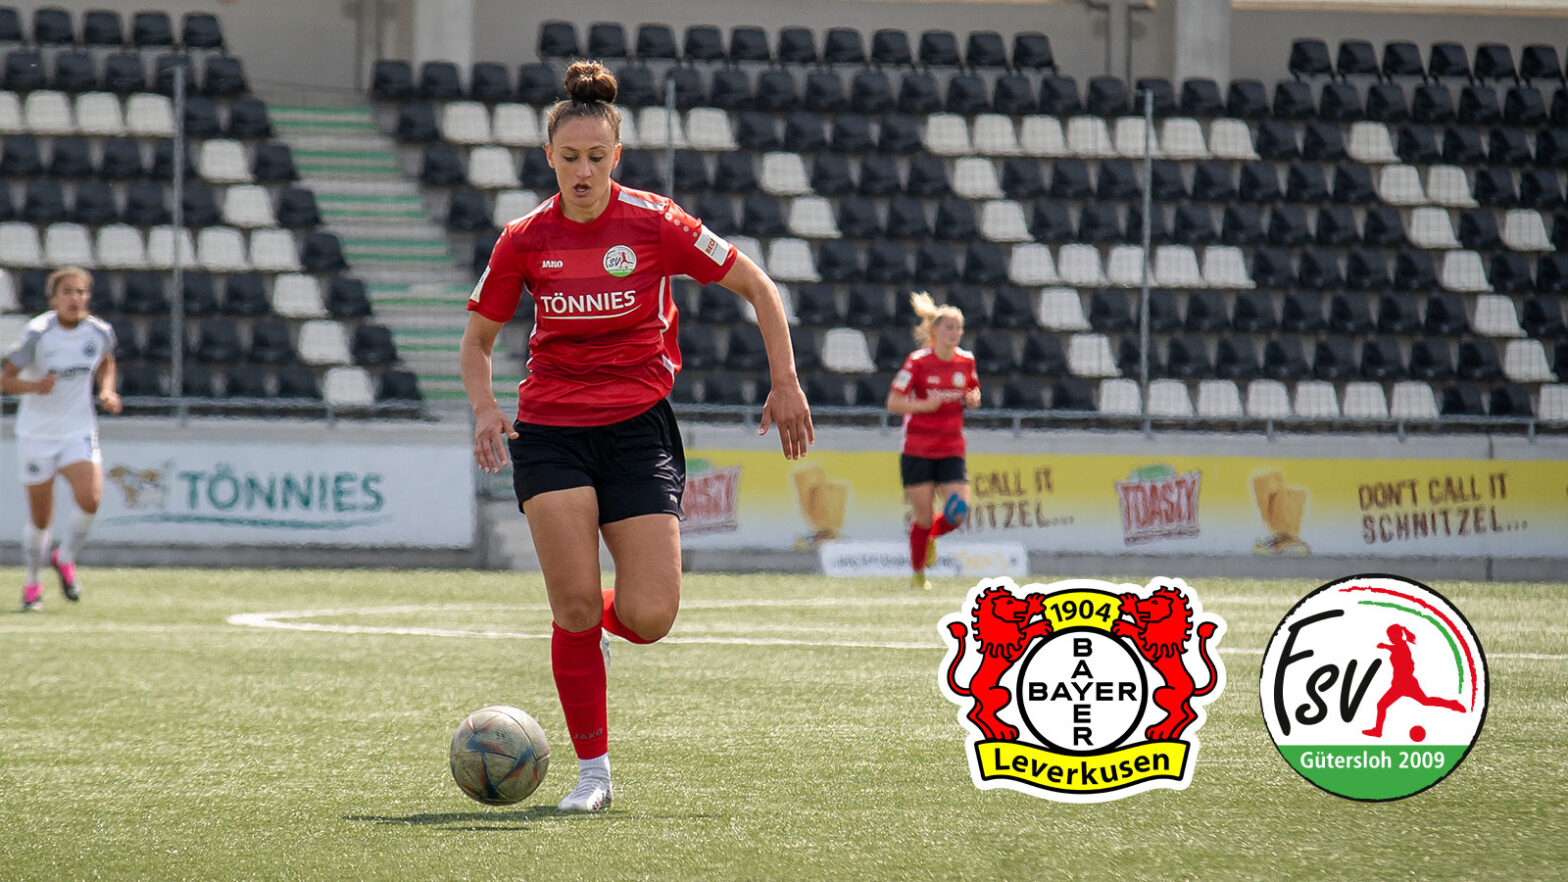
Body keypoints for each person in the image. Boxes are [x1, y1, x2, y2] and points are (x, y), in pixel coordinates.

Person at [459, 61, 813, 813]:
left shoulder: (655, 222)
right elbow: (477, 340)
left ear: (616, 157)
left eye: (596, 157)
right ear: (547, 157)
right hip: (551, 431)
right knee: (576, 607)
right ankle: (594, 774)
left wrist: (784, 381)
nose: (582, 170)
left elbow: (759, 285)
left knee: (649, 616)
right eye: (569, 157)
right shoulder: (524, 239)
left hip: (637, 429)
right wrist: (487, 408)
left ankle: (593, 630)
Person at [1, 266, 121, 611]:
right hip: (37, 435)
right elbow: (5, 379)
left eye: (82, 292)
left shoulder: (99, 331)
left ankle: (65, 556)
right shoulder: (37, 333)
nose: (76, 298)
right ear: (53, 298)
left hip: (77, 430)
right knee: (42, 517)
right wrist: (33, 386)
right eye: (67, 291)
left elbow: (106, 362)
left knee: (91, 498)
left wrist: (107, 391)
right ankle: (32, 584)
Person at [885, 291, 979, 591]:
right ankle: (918, 574)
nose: (955, 333)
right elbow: (893, 402)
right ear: (934, 331)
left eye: (959, 328)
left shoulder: (966, 361)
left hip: (951, 447)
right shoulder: (917, 363)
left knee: (957, 512)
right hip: (918, 448)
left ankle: (931, 539)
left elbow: (973, 391)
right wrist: (923, 406)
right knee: (923, 516)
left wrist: (974, 399)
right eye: (949, 327)